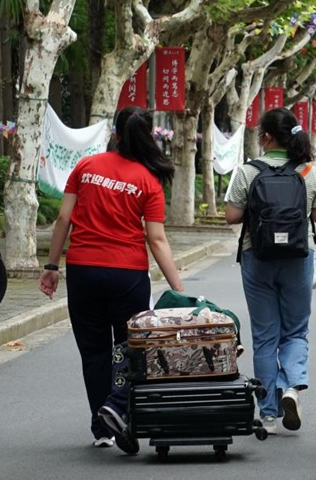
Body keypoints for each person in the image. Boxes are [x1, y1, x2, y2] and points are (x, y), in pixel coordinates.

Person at [39, 106, 184, 449]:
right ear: (148, 136)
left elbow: (63, 220)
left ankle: (102, 428)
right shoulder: (148, 180)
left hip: (82, 271)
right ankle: (119, 408)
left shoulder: (86, 166)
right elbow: (157, 239)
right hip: (128, 273)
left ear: (115, 134)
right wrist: (178, 288)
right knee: (131, 346)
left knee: (94, 351)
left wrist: (51, 266)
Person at [225, 107, 316, 435]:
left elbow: (231, 216)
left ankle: (268, 413)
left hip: (257, 257)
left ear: (267, 137)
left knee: (265, 337)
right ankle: (292, 387)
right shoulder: (308, 170)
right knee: (296, 330)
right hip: (298, 258)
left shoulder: (248, 171)